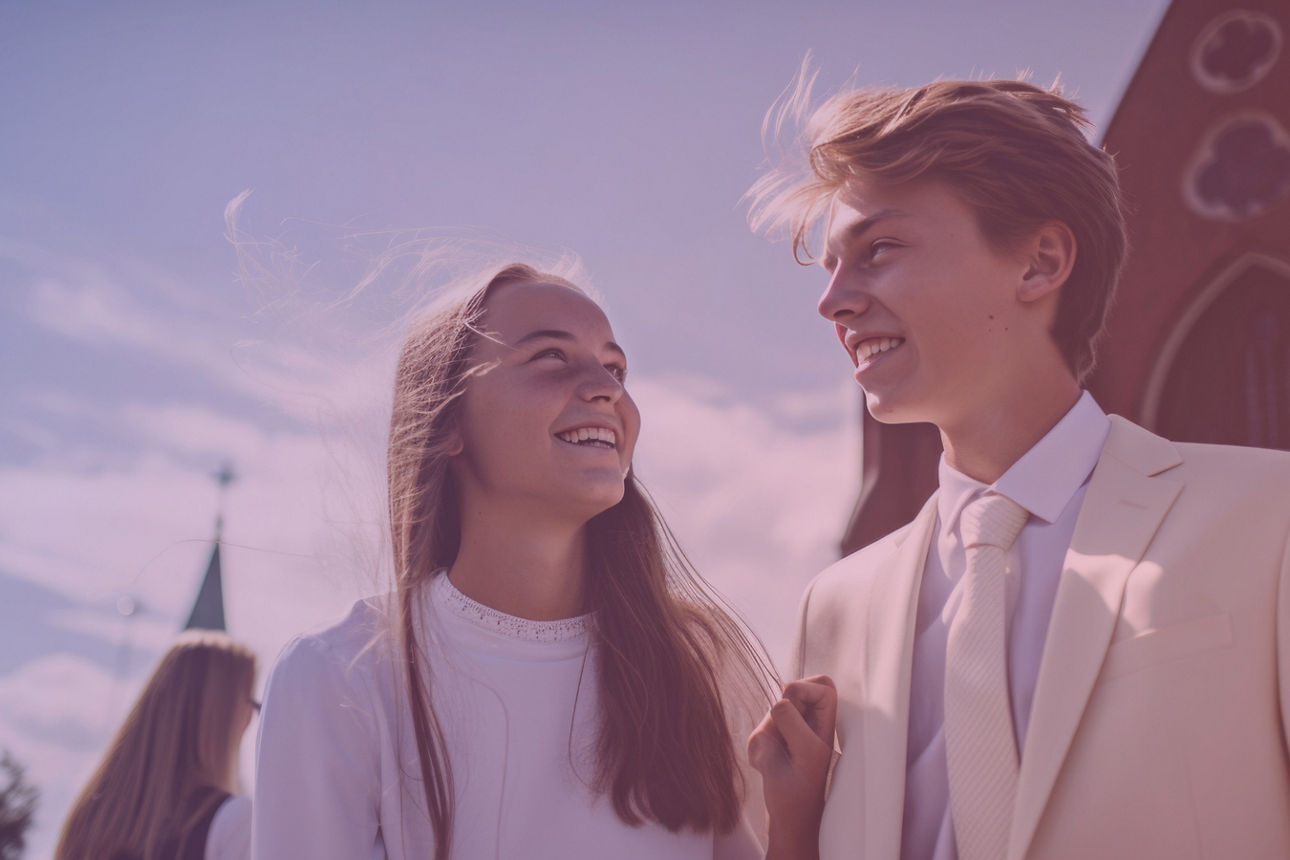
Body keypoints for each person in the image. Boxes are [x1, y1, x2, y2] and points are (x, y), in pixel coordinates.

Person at [745, 77, 1290, 860]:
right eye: (831, 267)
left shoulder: (1268, 521)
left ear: (1039, 263)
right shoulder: (833, 608)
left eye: (879, 250)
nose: (833, 301)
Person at [252, 263, 775, 859]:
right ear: (448, 423)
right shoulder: (339, 675)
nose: (606, 387)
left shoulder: (700, 660)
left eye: (615, 367)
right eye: (551, 356)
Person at [55, 630, 257, 860]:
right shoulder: (233, 821)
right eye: (249, 701)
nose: (250, 717)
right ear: (219, 713)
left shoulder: (90, 816)